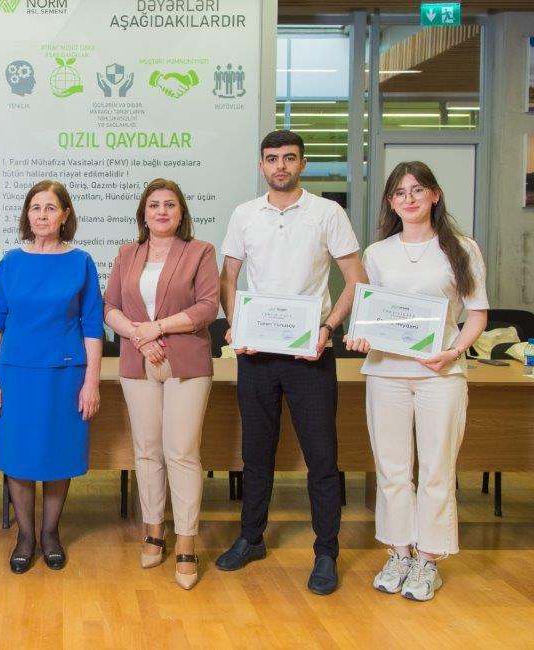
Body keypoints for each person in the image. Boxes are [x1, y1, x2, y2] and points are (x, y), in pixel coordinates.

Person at [214, 130, 366, 595]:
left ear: (302, 164)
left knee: (322, 457)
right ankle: (251, 538)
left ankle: (326, 552)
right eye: (271, 158)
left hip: (310, 354)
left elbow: (355, 278)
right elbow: (229, 277)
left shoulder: (327, 212)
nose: (280, 165)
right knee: (256, 454)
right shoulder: (245, 214)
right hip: (258, 355)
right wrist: (236, 325)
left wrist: (328, 328)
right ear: (261, 165)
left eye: (288, 158)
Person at [345, 161, 488, 602]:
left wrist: (454, 351)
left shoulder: (461, 249)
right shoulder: (377, 253)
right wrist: (360, 334)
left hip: (440, 375)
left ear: (434, 195)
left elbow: (477, 314)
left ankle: (428, 560)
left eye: (417, 190)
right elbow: (368, 311)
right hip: (385, 373)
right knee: (391, 470)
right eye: (400, 193)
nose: (409, 199)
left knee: (436, 470)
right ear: (391, 202)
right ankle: (399, 553)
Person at [103, 178, 219, 590]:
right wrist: (140, 336)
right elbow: (110, 306)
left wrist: (157, 328)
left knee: (181, 452)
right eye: (154, 205)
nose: (162, 211)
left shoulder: (200, 251)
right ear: (144, 213)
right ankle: (154, 531)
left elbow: (207, 307)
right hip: (138, 361)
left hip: (186, 362)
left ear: (181, 211)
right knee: (147, 450)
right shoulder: (127, 254)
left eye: (170, 204)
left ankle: (186, 540)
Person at [0, 180, 104, 574]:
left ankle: (50, 533)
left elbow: (92, 327)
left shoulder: (81, 262)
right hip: (15, 375)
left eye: (50, 208)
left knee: (58, 454)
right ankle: (25, 536)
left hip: (65, 375)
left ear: (65, 215)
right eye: (35, 208)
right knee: (18, 457)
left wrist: (91, 382)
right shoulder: (10, 262)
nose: (42, 215)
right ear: (27, 215)